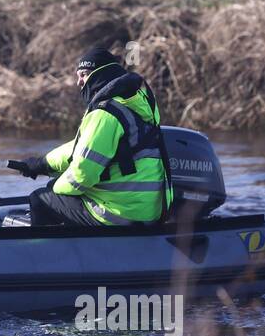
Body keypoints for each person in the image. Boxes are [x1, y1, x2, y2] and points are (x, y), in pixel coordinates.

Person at [9, 47, 172, 227]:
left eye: (84, 74)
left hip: (119, 213)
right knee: (60, 191)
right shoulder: (133, 105)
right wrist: (43, 164)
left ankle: (44, 254)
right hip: (148, 211)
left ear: (101, 75)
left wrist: (54, 186)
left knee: (40, 199)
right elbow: (83, 148)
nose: (79, 82)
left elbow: (83, 174)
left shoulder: (105, 114)